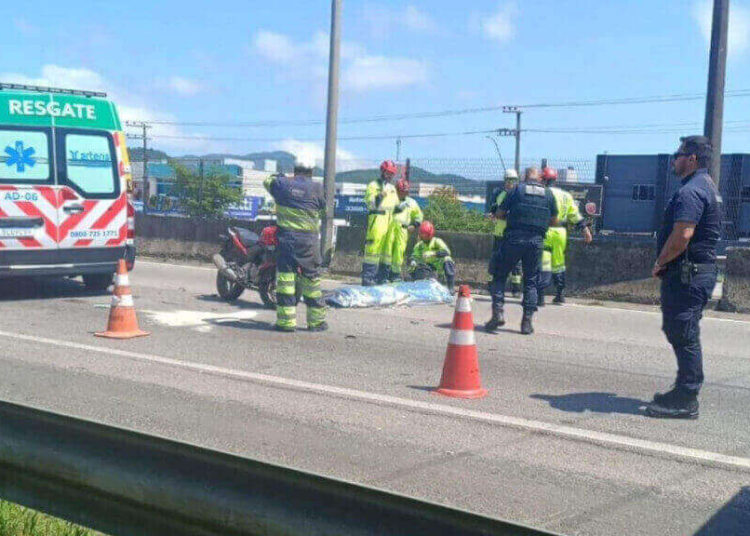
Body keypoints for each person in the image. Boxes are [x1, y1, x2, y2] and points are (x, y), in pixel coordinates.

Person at [646, 136, 721, 419]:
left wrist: (660, 261)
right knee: (681, 331)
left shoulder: (691, 191)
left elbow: (683, 236)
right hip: (696, 273)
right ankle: (683, 388)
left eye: (678, 155)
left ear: (692, 159)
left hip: (688, 274)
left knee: (684, 332)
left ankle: (687, 397)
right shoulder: (707, 186)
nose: (674, 160)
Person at [485, 167, 558, 335]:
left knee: (499, 274)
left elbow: (500, 213)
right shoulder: (548, 194)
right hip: (536, 242)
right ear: (540, 178)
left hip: (514, 239)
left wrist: (508, 215)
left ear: (525, 177)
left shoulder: (517, 190)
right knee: (531, 281)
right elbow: (554, 221)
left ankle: (498, 312)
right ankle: (527, 323)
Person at [263, 156, 327, 332]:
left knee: (286, 282)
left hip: (287, 242)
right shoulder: (317, 188)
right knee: (312, 282)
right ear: (311, 172)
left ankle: (286, 323)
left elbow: (267, 181)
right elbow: (325, 208)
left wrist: (281, 176)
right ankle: (316, 323)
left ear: (295, 169)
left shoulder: (282, 184)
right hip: (309, 243)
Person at [538, 166, 594, 305]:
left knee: (544, 262)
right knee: (558, 263)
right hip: (560, 233)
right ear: (555, 180)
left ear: (543, 180)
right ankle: (560, 294)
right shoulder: (565, 195)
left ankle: (540, 296)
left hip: (545, 230)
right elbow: (574, 215)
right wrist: (585, 229)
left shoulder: (542, 193)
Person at [362, 160, 399, 286]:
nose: (390, 175)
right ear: (382, 171)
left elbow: (396, 207)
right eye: (388, 172)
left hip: (390, 224)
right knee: (373, 251)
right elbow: (370, 203)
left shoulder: (392, 189)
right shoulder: (373, 185)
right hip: (377, 222)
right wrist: (379, 196)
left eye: (392, 173)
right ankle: (368, 278)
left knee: (386, 253)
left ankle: (382, 278)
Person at [488, 169, 522, 298]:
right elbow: (493, 210)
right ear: (504, 181)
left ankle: (516, 289)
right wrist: (493, 214)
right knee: (495, 259)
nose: (510, 183)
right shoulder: (499, 194)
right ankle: (490, 286)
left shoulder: (518, 196)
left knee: (516, 263)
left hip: (513, 234)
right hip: (499, 233)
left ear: (517, 181)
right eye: (508, 180)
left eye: (513, 180)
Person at [387, 179, 423, 281]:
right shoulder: (390, 200)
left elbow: (419, 216)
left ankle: (395, 274)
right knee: (386, 251)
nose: (403, 193)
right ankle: (384, 273)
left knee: (399, 252)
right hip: (389, 229)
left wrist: (414, 225)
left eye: (405, 191)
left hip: (402, 230)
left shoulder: (411, 202)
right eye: (401, 190)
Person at [409, 221, 455, 290]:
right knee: (415, 267)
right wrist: (413, 261)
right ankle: (420, 285)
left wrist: (433, 253)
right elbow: (414, 256)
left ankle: (450, 287)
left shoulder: (436, 241)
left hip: (438, 268)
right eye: (422, 234)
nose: (424, 236)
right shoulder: (419, 245)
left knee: (447, 259)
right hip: (426, 268)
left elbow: (447, 252)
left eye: (426, 234)